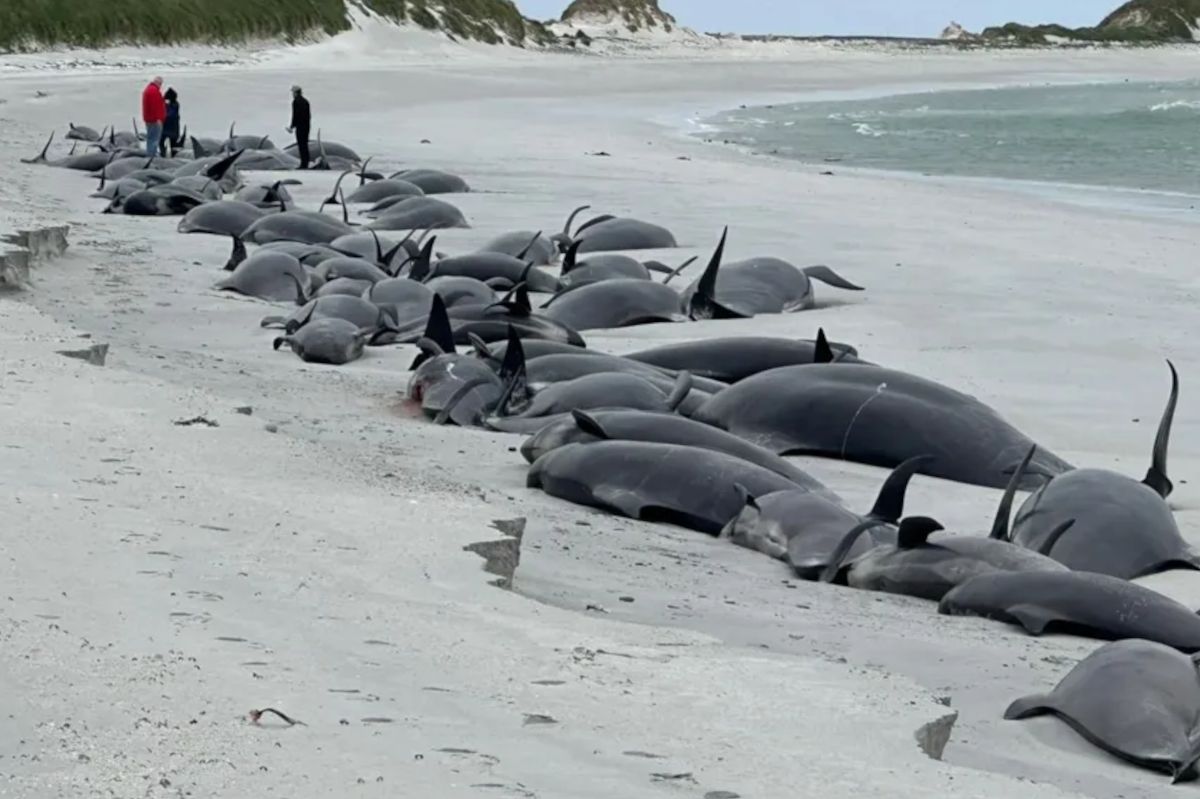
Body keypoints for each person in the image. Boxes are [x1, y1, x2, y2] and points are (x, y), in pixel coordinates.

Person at [286, 85, 311, 169]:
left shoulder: (295, 102)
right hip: (306, 126)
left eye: (293, 92)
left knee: (301, 145)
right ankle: (306, 163)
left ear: (296, 93)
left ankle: (303, 165)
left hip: (300, 127)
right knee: (305, 145)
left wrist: (292, 126)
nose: (292, 94)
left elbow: (295, 115)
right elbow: (308, 116)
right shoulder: (306, 101)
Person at [141, 76, 166, 158]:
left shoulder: (148, 89)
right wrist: (158, 119)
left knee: (150, 138)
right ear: (158, 83)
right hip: (154, 120)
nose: (160, 86)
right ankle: (152, 157)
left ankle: (150, 154)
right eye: (160, 84)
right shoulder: (154, 91)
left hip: (149, 119)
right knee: (154, 139)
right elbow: (155, 106)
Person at [161, 87, 181, 157]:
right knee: (166, 146)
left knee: (170, 147)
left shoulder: (173, 106)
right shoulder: (175, 105)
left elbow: (169, 115)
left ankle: (166, 156)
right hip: (171, 130)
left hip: (169, 130)